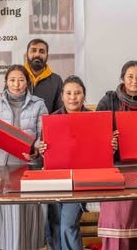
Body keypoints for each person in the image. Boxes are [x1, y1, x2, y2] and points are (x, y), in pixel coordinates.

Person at [0, 64, 48, 250]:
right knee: (4, 221)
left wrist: (35, 152)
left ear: (27, 82)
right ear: (5, 82)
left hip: (27, 168)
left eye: (20, 80)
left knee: (28, 218)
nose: (16, 84)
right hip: (0, 169)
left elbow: (44, 139)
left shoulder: (38, 104)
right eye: (12, 80)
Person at [96, 60, 137, 250]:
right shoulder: (109, 100)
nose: (135, 80)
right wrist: (109, 139)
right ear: (122, 78)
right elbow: (96, 132)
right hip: (115, 170)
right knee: (115, 222)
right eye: (130, 76)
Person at [38, 75, 89, 250]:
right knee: (53, 225)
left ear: (84, 95)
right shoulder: (51, 119)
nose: (72, 97)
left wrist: (109, 145)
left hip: (80, 180)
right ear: (62, 96)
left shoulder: (93, 118)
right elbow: (44, 151)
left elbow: (99, 152)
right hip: (55, 178)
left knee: (68, 224)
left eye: (77, 93)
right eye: (68, 93)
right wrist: (42, 149)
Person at [24, 38, 63, 113]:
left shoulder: (56, 80)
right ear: (26, 55)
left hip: (46, 124)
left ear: (47, 57)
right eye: (33, 50)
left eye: (42, 51)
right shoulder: (15, 77)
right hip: (17, 125)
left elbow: (60, 111)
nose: (37, 54)